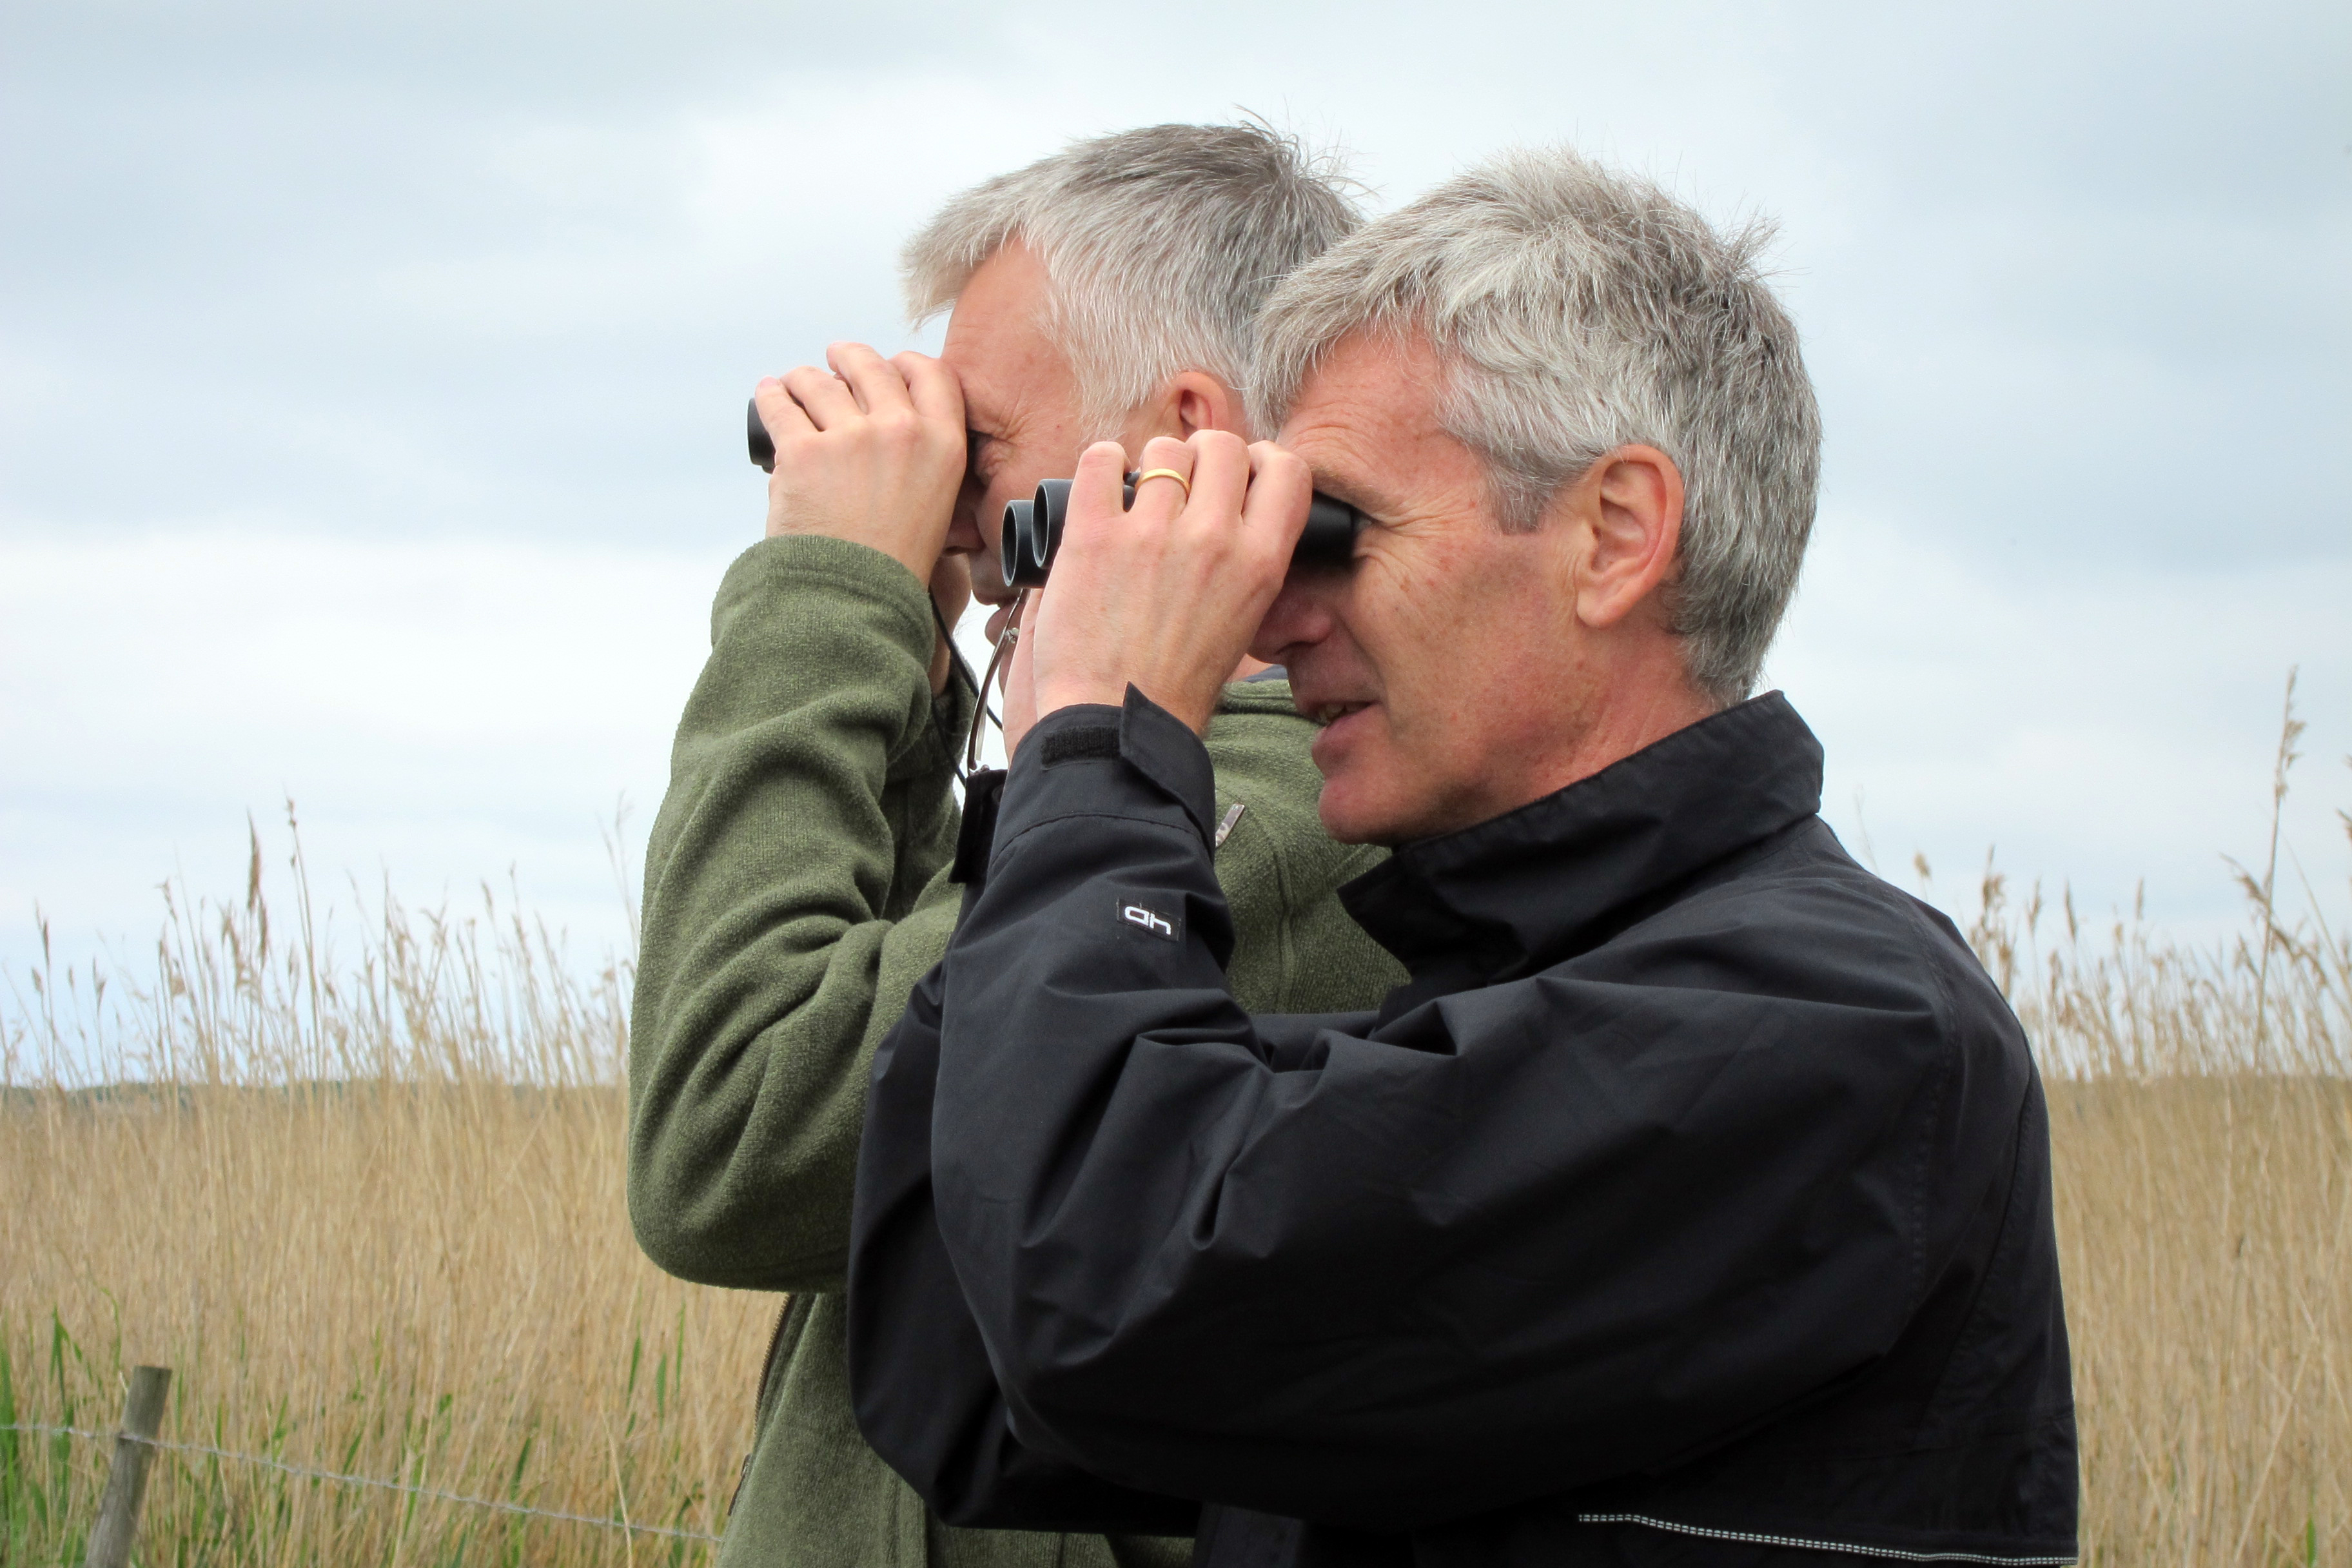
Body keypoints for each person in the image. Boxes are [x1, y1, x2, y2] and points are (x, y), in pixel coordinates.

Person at [847, 148, 2079, 1567]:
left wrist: (1108, 750)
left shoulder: (1834, 1034)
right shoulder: (1479, 998)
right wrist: (1056, 728)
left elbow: (1114, 1300)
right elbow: (959, 1361)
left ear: (1614, 536)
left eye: (1333, 534)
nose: (1280, 616)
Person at [626, 122, 1406, 1568]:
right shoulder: (1173, 807)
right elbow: (898, 998)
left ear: (1184, 436)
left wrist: (829, 591)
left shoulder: (1269, 840)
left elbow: (729, 1139)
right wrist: (920, 665)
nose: (947, 500)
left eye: (972, 446)